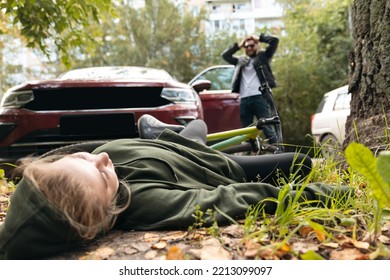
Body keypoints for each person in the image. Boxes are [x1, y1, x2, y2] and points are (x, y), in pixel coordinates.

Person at [0, 115, 352, 259]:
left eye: (83, 157)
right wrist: (327, 194)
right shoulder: (146, 204)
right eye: (104, 176)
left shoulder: (80, 167)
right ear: (107, 217)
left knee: (196, 124)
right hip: (218, 166)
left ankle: (160, 132)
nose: (102, 157)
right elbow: (228, 199)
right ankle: (170, 135)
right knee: (299, 164)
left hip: (170, 146)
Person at [222, 33, 279, 144]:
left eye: (252, 45)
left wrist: (260, 38)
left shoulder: (263, 57)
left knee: (267, 128)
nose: (249, 48)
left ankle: (280, 154)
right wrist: (239, 45)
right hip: (244, 99)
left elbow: (275, 40)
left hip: (260, 97)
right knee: (246, 131)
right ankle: (249, 157)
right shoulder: (240, 61)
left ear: (257, 46)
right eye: (246, 46)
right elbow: (225, 56)